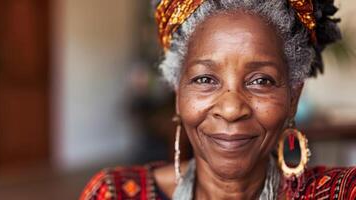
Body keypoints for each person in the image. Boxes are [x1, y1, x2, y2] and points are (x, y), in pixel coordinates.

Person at [80, 0, 356, 199]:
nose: (231, 108)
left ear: (293, 97)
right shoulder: (113, 193)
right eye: (205, 79)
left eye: (261, 80)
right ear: (178, 93)